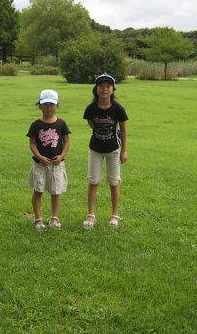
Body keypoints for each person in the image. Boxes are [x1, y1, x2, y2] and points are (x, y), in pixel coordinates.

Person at [82, 73, 128, 229]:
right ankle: (90, 215)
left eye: (108, 86)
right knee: (93, 181)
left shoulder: (118, 109)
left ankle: (114, 215)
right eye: (101, 86)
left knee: (114, 182)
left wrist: (124, 151)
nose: (104, 89)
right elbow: (91, 123)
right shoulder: (91, 108)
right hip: (95, 149)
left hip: (113, 149)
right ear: (96, 89)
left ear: (113, 89)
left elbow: (123, 131)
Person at [26, 89, 71, 230]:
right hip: (40, 164)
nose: (48, 108)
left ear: (57, 106)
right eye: (45, 105)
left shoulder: (61, 124)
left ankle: (54, 218)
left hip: (57, 164)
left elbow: (67, 141)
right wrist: (40, 157)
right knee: (38, 190)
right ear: (40, 105)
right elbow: (32, 143)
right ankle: (38, 219)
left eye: (52, 105)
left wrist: (62, 156)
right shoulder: (36, 125)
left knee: (55, 192)